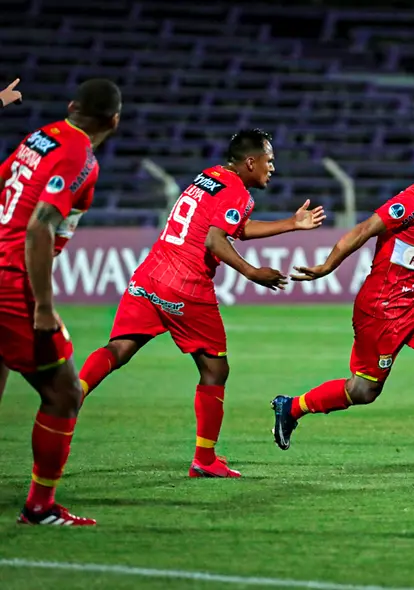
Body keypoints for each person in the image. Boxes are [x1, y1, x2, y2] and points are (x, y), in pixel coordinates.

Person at [76, 129, 324, 478]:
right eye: (268, 161)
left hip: (151, 274)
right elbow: (214, 240)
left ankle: (74, 393)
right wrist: (252, 272)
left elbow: (234, 227)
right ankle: (204, 459)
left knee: (119, 348)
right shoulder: (238, 192)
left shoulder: (209, 177)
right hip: (186, 284)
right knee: (215, 370)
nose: (272, 168)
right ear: (250, 162)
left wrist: (291, 224)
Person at [270, 133, 414, 469]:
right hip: (381, 309)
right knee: (363, 391)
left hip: (413, 302)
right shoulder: (412, 201)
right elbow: (363, 230)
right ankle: (292, 407)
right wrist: (326, 267)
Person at [0, 78, 121, 525]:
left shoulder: (40, 137)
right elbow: (39, 227)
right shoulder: (77, 155)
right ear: (114, 121)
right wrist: (44, 307)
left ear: (72, 106)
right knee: (64, 393)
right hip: (12, 281)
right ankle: (39, 506)